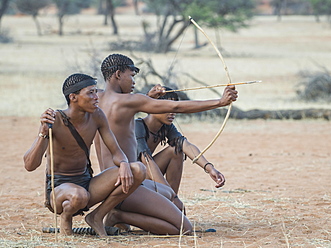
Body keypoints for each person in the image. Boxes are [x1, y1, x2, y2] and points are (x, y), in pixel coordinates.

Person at [94, 53, 237, 227]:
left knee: (170, 195)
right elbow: (176, 106)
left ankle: (121, 213)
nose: (134, 82)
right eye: (131, 76)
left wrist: (209, 168)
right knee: (185, 228)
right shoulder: (129, 102)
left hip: (106, 184)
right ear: (118, 74)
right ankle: (119, 216)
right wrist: (219, 102)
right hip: (126, 187)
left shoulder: (94, 99)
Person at [23, 73, 147, 236]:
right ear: (73, 97)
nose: (97, 97)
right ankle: (66, 220)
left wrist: (124, 163)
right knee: (79, 195)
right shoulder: (55, 120)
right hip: (60, 192)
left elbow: (117, 152)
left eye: (96, 91)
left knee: (138, 169)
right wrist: (43, 133)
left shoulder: (97, 116)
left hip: (87, 185)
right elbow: (29, 165)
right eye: (91, 93)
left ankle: (97, 216)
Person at [135, 87, 226, 211]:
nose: (172, 113)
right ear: (154, 107)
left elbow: (185, 145)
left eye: (174, 108)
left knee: (176, 150)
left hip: (147, 177)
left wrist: (210, 169)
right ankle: (170, 201)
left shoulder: (166, 126)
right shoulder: (137, 126)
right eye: (168, 108)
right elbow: (147, 162)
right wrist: (172, 197)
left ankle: (170, 204)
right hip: (133, 180)